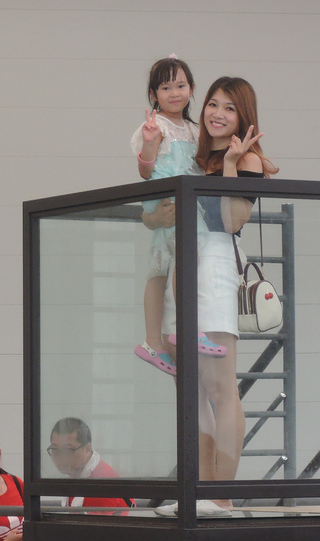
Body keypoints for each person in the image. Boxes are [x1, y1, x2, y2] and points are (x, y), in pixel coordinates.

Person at [155, 77, 278, 518]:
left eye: (230, 108)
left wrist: (229, 165)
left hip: (215, 271)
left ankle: (221, 496)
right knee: (190, 389)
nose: (218, 113)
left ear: (244, 118)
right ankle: (198, 492)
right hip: (181, 270)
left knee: (221, 388)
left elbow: (230, 221)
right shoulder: (196, 156)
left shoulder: (248, 161)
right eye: (213, 104)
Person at [131, 55, 227, 376]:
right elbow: (145, 171)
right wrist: (148, 145)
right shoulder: (154, 126)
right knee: (187, 258)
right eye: (165, 86)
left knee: (159, 269)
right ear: (153, 94)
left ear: (192, 89)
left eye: (181, 85)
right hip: (171, 201)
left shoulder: (193, 129)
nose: (174, 92)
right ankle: (183, 327)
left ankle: (152, 341)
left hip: (179, 201)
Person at [48, 417, 154, 541]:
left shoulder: (100, 485)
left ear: (87, 449)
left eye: (68, 451)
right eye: (55, 450)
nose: (60, 458)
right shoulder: (78, 475)